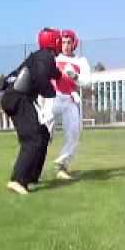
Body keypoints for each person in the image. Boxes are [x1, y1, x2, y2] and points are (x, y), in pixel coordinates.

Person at [0, 28, 62, 195]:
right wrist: (50, 91)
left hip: (14, 98)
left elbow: (9, 78)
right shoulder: (46, 57)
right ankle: (17, 180)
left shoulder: (37, 57)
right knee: (32, 138)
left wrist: (60, 76)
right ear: (53, 42)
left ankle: (31, 177)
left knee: (42, 135)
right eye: (58, 41)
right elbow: (43, 77)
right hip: (19, 99)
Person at [41, 29, 91, 179]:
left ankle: (62, 166)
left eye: (69, 42)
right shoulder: (54, 58)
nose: (66, 45)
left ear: (74, 43)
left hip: (70, 99)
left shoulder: (81, 61)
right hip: (53, 97)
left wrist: (74, 75)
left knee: (74, 131)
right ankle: (35, 165)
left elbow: (86, 81)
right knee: (44, 132)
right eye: (63, 42)